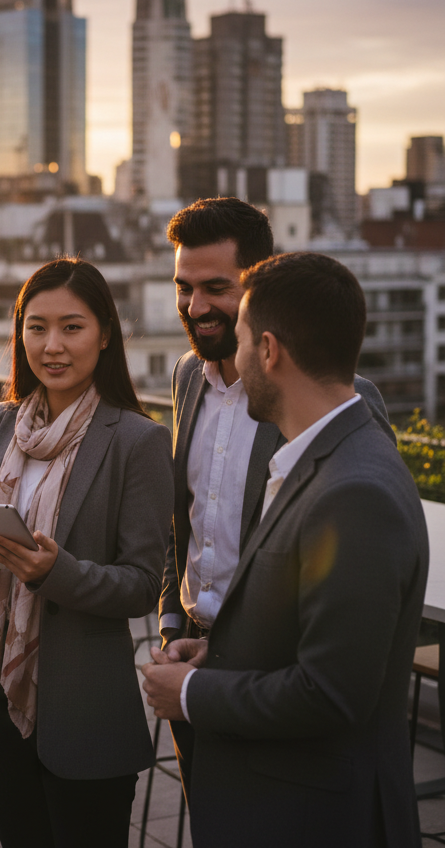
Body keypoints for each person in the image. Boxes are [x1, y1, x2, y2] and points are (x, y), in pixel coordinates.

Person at [142, 252, 428, 847]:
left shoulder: (355, 491)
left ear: (269, 351)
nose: (232, 359)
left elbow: (331, 693)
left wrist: (193, 692)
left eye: (243, 340)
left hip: (310, 816)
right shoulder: (322, 456)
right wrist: (217, 651)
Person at [160, 197, 392, 801]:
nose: (195, 306)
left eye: (216, 287)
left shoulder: (342, 399)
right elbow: (183, 517)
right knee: (215, 817)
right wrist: (170, 623)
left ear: (261, 284)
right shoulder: (189, 375)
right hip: (190, 645)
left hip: (275, 673)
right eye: (183, 287)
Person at [0, 257, 173, 848]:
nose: (52, 346)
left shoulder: (138, 441)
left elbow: (144, 585)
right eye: (36, 327)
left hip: (85, 703)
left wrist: (56, 573)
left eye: (72, 327)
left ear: (105, 334)